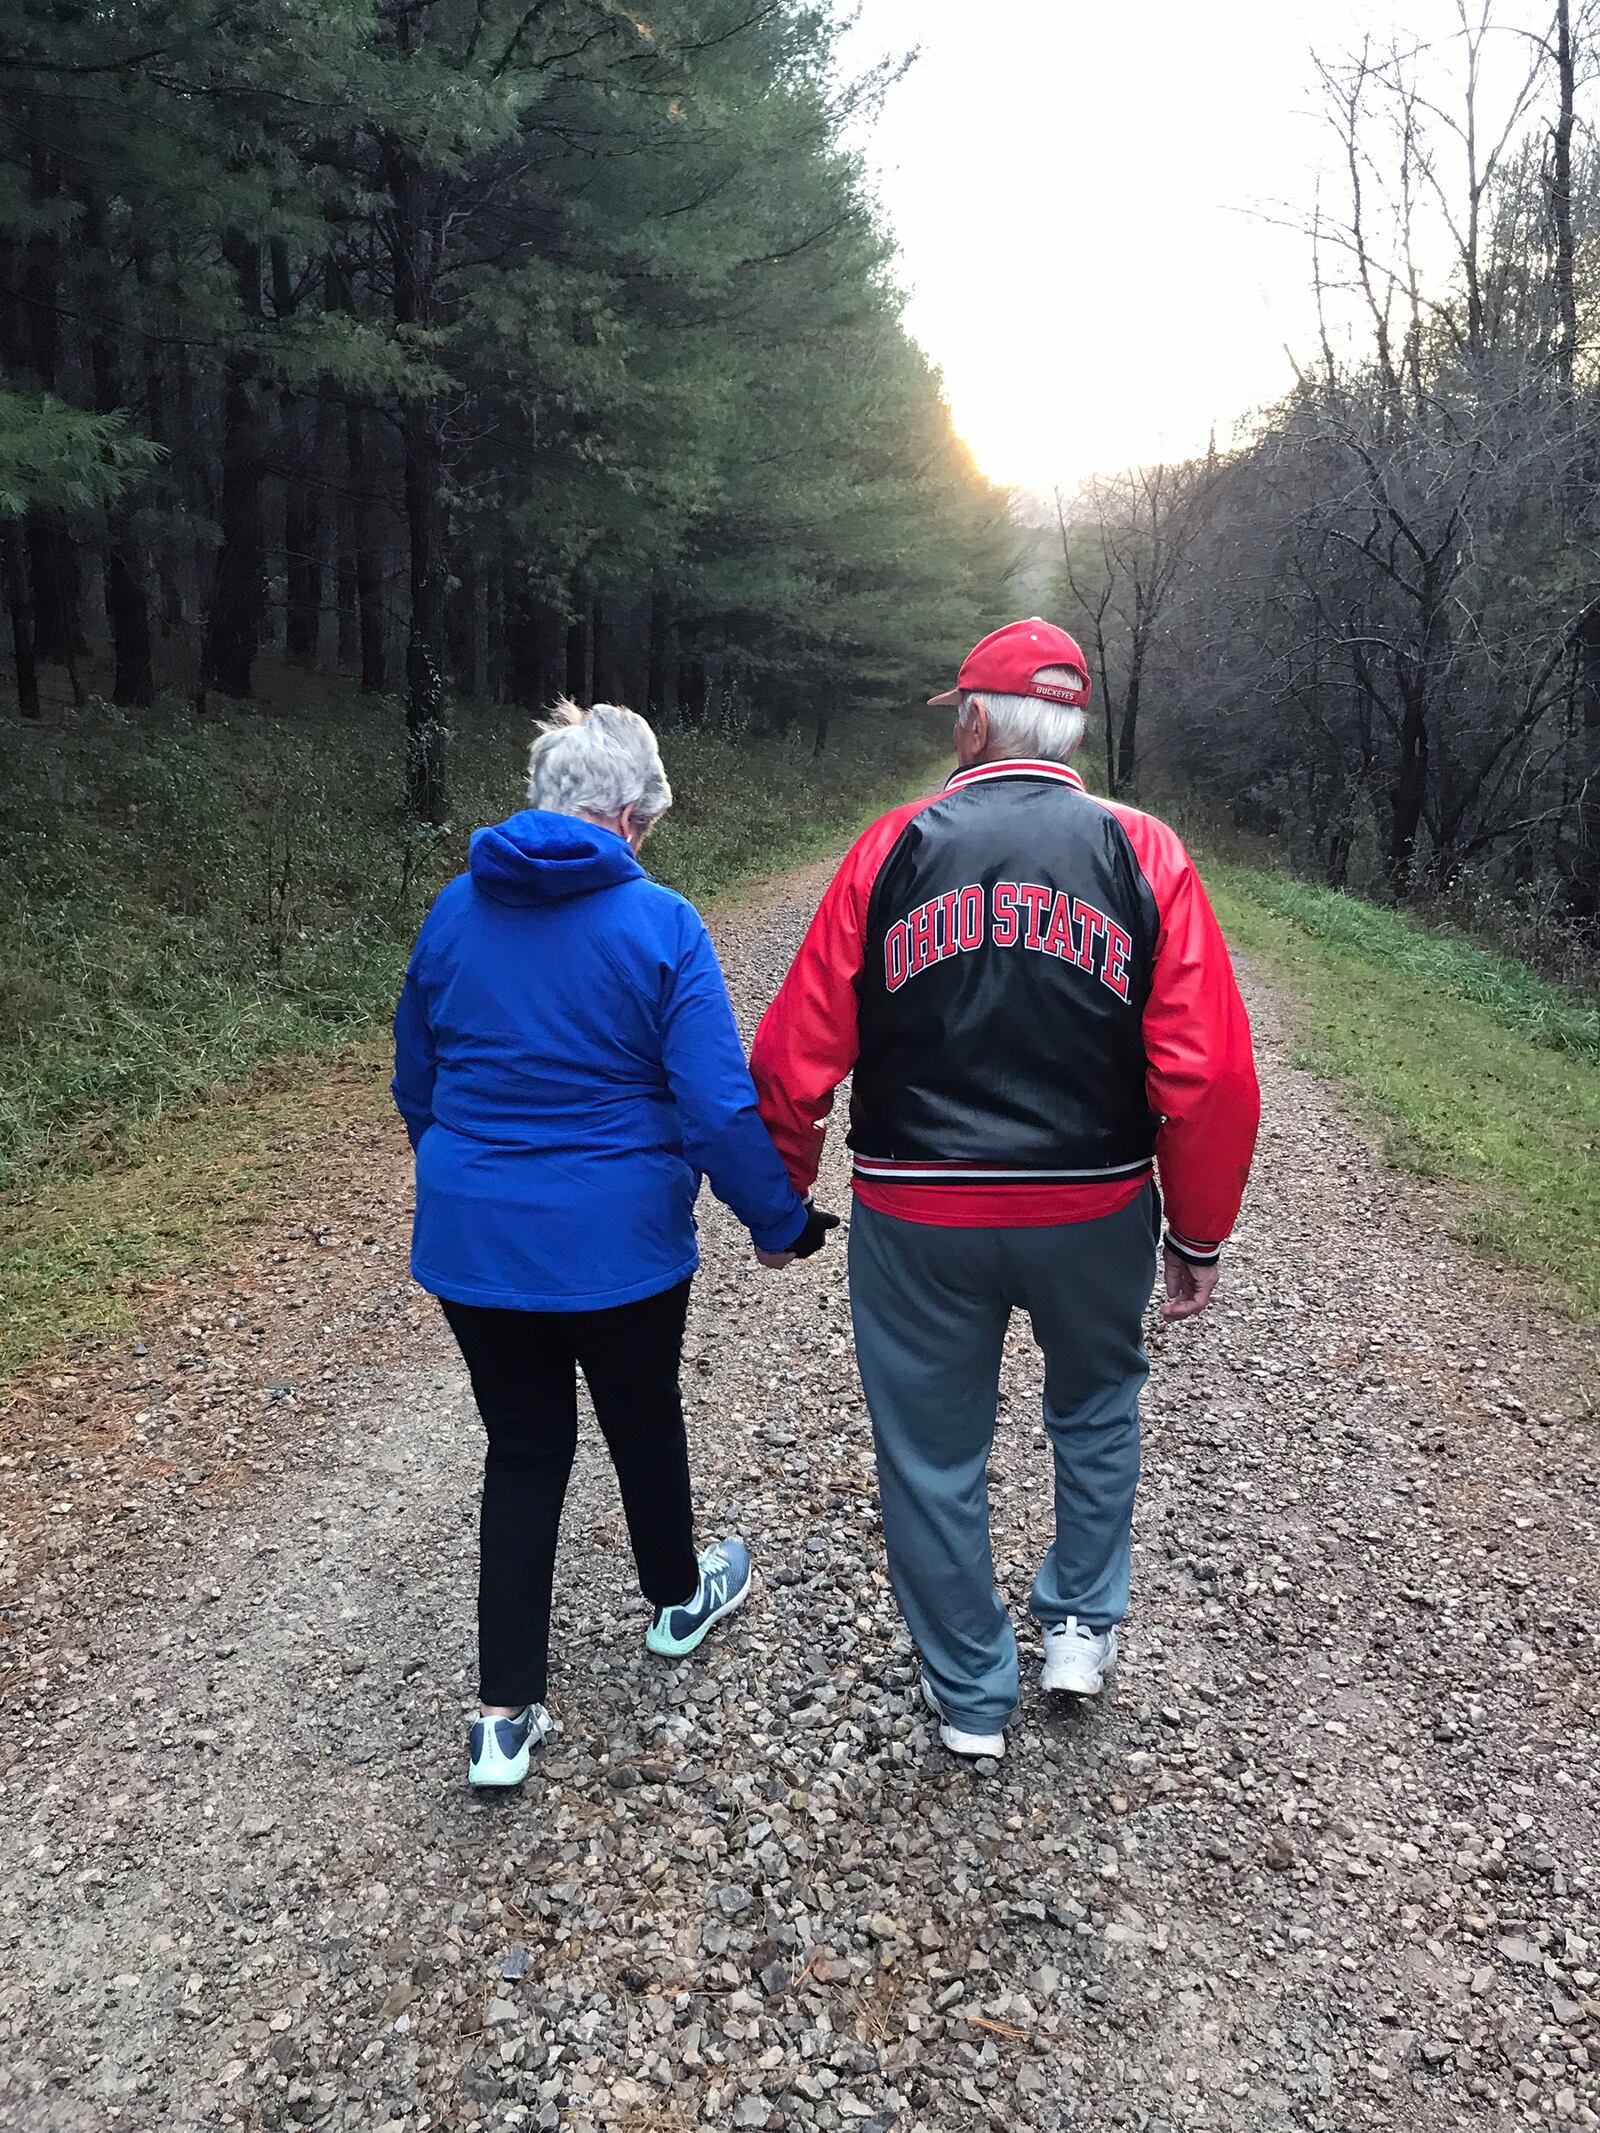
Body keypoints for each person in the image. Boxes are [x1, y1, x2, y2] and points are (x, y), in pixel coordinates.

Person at [750, 620, 1260, 1762]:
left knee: (930, 1451)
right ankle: (1079, 1624)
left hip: (918, 1210)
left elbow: (794, 1060)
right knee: (1093, 1407)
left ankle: (972, 1691)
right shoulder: (1145, 851)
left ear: (975, 721)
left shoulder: (891, 849)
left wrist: (783, 1199)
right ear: (1068, 729)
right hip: (1092, 1204)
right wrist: (1200, 1228)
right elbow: (1210, 1073)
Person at [392, 700, 836, 1787]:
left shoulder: (453, 910)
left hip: (476, 1239)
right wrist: (776, 1224)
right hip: (618, 1244)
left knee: (525, 1448)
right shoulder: (662, 924)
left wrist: (470, 1182)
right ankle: (678, 1601)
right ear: (629, 816)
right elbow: (716, 1106)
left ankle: (503, 1718)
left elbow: (418, 1080)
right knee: (641, 1414)